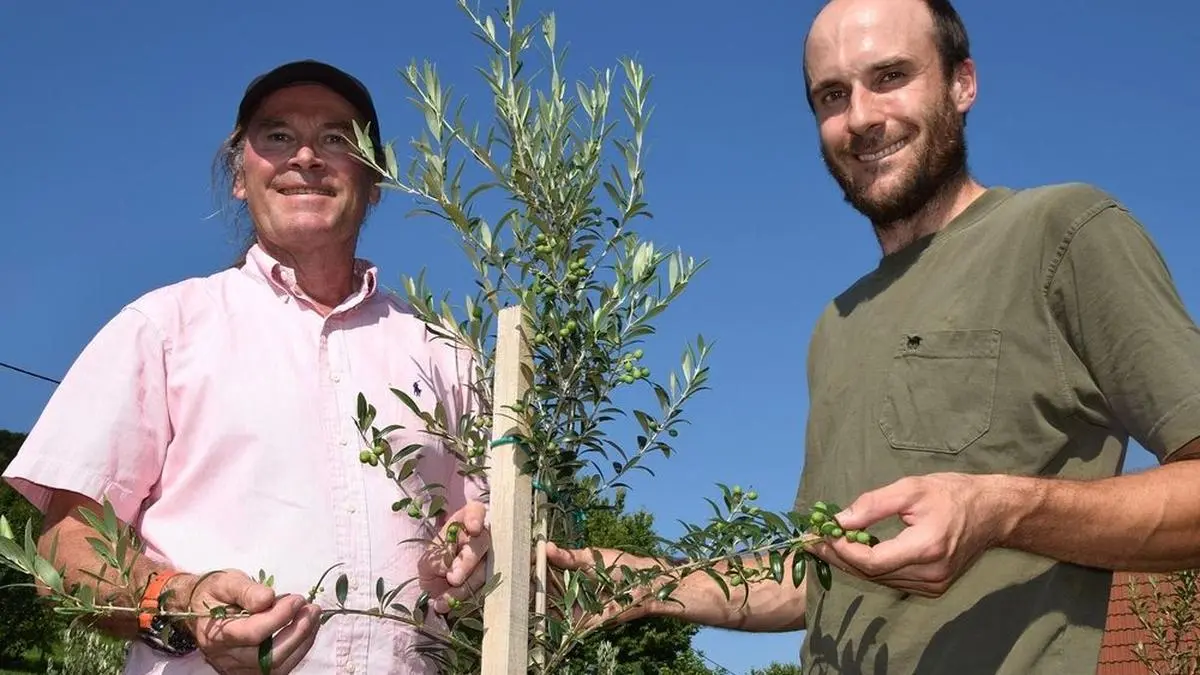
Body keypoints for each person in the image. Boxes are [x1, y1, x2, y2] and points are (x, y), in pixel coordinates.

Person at [548, 0, 1200, 673]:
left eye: (889, 76)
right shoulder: (837, 324)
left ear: (962, 82)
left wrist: (1001, 511)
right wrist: (647, 582)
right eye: (832, 94)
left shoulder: (1062, 232)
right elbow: (820, 572)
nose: (860, 117)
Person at [3, 60, 490, 674]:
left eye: (338, 139)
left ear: (374, 179)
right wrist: (178, 602)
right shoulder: (162, 328)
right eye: (278, 136)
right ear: (241, 174)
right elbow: (65, 547)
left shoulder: (449, 357)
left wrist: (479, 551)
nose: (306, 157)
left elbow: (495, 537)